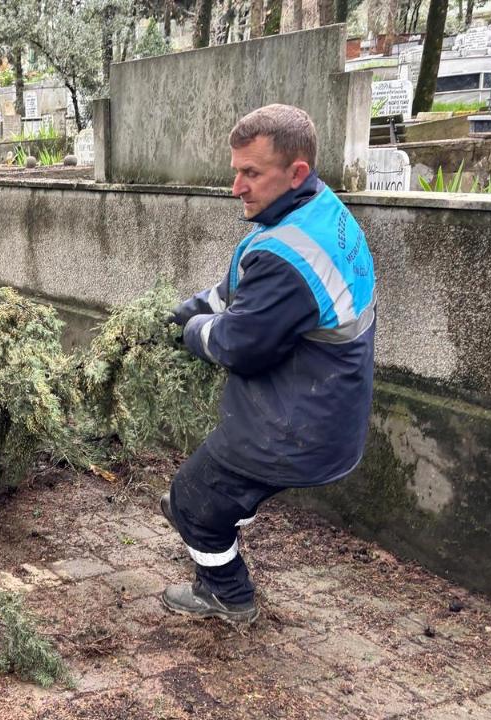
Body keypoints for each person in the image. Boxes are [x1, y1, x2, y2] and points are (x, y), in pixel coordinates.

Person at [162, 104, 377, 625]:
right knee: (212, 499)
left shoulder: (290, 257)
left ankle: (227, 595)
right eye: (236, 170)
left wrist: (190, 332)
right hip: (318, 406)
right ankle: (235, 515)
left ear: (295, 172)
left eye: (251, 173)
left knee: (190, 503)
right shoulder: (311, 213)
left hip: (292, 425)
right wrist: (184, 310)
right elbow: (243, 287)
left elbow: (237, 345)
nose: (236, 186)